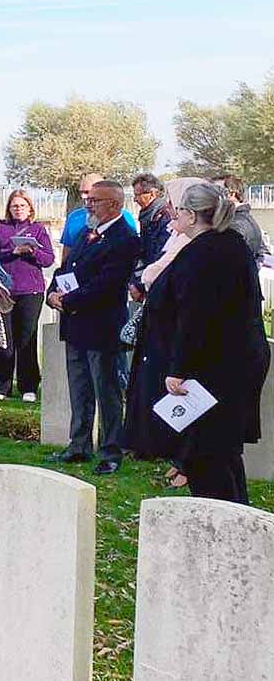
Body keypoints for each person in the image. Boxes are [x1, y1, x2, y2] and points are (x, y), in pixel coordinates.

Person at [148, 183, 269, 503]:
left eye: (179, 210)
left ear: (189, 215)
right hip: (237, 361)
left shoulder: (203, 253)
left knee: (208, 455)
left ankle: (225, 529)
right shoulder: (231, 244)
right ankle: (240, 524)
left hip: (214, 367)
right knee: (224, 452)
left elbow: (196, 317)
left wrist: (179, 369)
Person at [46, 180, 140, 474]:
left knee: (107, 389)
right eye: (88, 199)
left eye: (96, 200)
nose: (89, 204)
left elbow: (108, 283)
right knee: (80, 388)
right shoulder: (89, 234)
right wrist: (53, 293)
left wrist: (69, 300)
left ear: (114, 204)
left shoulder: (124, 238)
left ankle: (111, 450)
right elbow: (66, 268)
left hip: (101, 325)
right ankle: (79, 444)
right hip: (75, 323)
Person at [122, 177, 202, 484]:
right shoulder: (174, 234)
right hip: (161, 320)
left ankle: (186, 458)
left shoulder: (192, 242)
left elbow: (158, 271)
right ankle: (177, 456)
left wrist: (147, 277)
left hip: (178, 324)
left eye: (176, 205)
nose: (170, 210)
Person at [0, 190, 54, 401]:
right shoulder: (1, 228)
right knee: (4, 340)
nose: (18, 209)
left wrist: (31, 251)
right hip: (4, 291)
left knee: (27, 338)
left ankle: (28, 386)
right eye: (14, 206)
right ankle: (1, 386)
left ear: (30, 208)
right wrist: (12, 252)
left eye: (22, 206)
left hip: (30, 291)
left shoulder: (38, 230)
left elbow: (48, 259)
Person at [60, 173, 138, 262]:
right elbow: (67, 253)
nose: (83, 196)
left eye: (87, 192)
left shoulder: (125, 219)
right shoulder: (74, 218)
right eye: (81, 192)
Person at [128, 173, 172, 302]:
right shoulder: (148, 216)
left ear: (152, 194)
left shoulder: (165, 217)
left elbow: (161, 256)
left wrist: (141, 286)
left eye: (138, 195)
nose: (135, 200)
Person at [213, 174, 270, 265]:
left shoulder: (235, 225)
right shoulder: (244, 219)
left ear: (232, 194)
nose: (211, 196)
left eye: (216, 191)